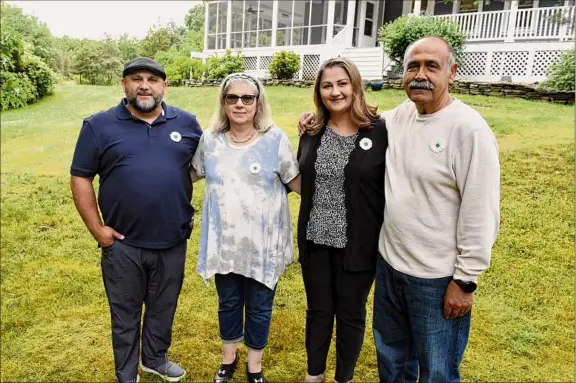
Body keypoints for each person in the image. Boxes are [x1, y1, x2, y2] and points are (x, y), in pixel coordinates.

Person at [300, 37, 501, 382]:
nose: (420, 75)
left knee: (436, 368)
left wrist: (465, 280)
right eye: (413, 66)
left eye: (431, 66)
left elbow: (481, 210)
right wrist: (313, 119)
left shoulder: (469, 130)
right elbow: (355, 121)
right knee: (392, 362)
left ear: (452, 73)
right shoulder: (398, 119)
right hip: (390, 266)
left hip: (436, 277)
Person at [70, 57, 202, 383]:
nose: (145, 85)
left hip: (172, 239)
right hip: (122, 244)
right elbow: (80, 177)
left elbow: (213, 157)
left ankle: (155, 359)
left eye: (153, 79)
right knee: (125, 314)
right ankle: (127, 373)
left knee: (163, 308)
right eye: (136, 79)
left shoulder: (186, 124)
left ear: (164, 86)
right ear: (124, 84)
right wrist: (98, 230)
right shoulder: (98, 126)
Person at [190, 73, 300, 383]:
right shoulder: (209, 140)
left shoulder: (275, 139)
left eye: (247, 98)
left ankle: (254, 366)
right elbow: (189, 175)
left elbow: (296, 181)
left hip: (264, 244)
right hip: (224, 243)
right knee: (228, 303)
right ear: (223, 103)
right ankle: (228, 359)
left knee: (260, 305)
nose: (239, 104)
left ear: (258, 102)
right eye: (232, 98)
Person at [297, 57, 387, 383]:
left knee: (350, 314)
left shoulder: (380, 131)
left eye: (342, 83)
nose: (335, 92)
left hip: (359, 244)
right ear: (318, 92)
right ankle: (314, 375)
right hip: (315, 239)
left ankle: (343, 378)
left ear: (355, 85)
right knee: (318, 311)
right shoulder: (311, 130)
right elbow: (302, 175)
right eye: (327, 85)